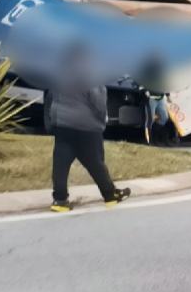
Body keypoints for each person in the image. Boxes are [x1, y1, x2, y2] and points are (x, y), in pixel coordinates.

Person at [46, 47, 131, 213]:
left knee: (60, 164)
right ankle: (110, 195)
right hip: (86, 126)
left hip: (63, 125)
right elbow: (98, 100)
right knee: (95, 162)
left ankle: (60, 200)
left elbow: (51, 97)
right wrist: (102, 119)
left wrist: (53, 121)